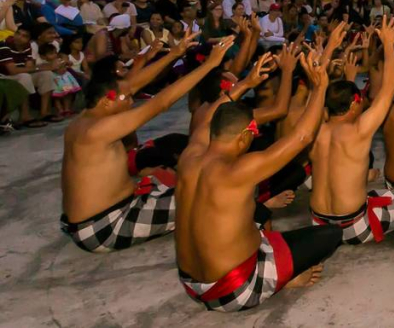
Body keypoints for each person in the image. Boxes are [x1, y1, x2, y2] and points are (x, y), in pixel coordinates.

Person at [175, 52, 341, 312]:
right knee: (330, 234)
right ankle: (280, 280)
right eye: (252, 134)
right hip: (233, 291)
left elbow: (209, 118)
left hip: (189, 284)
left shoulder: (190, 154)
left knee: (253, 214)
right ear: (243, 137)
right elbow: (303, 137)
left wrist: (245, 84)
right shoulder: (240, 168)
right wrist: (319, 87)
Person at [59, 34, 227, 253]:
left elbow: (133, 84)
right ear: (106, 100)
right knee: (212, 194)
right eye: (126, 98)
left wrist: (175, 54)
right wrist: (210, 65)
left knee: (181, 179)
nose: (131, 101)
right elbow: (161, 103)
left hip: (100, 217)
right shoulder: (97, 130)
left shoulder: (85, 119)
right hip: (104, 226)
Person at [308, 17, 394, 242]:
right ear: (353, 104)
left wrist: (330, 46)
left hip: (317, 223)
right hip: (355, 226)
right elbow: (391, 87)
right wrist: (388, 43)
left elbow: (317, 84)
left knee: (374, 193)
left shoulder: (313, 128)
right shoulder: (359, 130)